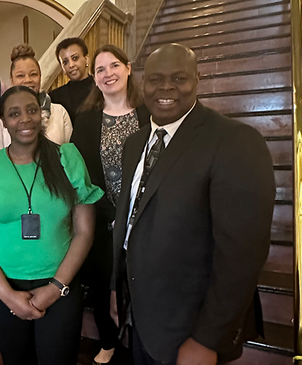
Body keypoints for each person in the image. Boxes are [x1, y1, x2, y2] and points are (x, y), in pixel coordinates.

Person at [111, 43, 275, 365]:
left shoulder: (234, 141)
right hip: (141, 318)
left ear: (197, 80)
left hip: (191, 329)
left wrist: (207, 338)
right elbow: (131, 220)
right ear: (142, 83)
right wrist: (118, 288)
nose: (166, 88)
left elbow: (242, 255)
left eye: (179, 78)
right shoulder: (134, 143)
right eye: (156, 79)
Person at [0, 85, 103, 365]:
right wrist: (9, 296)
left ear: (42, 114)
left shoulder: (66, 158)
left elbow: (84, 232)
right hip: (2, 290)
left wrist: (55, 287)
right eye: (14, 113)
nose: (25, 118)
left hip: (60, 288)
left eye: (32, 110)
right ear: (3, 121)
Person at [71, 44, 149, 365]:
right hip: (103, 218)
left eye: (114, 66)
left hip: (144, 218)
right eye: (100, 69)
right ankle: (108, 340)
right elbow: (80, 172)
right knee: (102, 285)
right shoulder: (87, 119)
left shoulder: (149, 112)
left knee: (143, 281)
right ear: (94, 78)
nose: (108, 74)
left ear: (128, 68)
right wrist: (108, 212)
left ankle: (145, 339)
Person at [0, 44, 72, 152]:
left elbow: (68, 156)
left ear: (40, 77)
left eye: (33, 74)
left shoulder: (59, 112)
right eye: (20, 75)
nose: (28, 80)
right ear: (12, 79)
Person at [49, 37, 94, 123]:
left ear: (86, 59)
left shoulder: (101, 89)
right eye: (65, 62)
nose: (71, 65)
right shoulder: (55, 97)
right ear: (62, 68)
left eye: (75, 58)